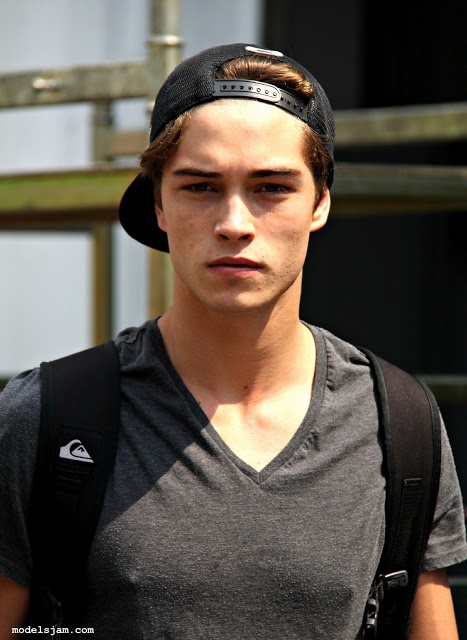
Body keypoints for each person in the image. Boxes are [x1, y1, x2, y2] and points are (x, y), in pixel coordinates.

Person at [0, 42, 466, 640]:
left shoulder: (400, 422)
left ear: (320, 202)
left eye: (271, 187)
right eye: (199, 186)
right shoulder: (49, 418)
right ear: (159, 205)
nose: (235, 224)